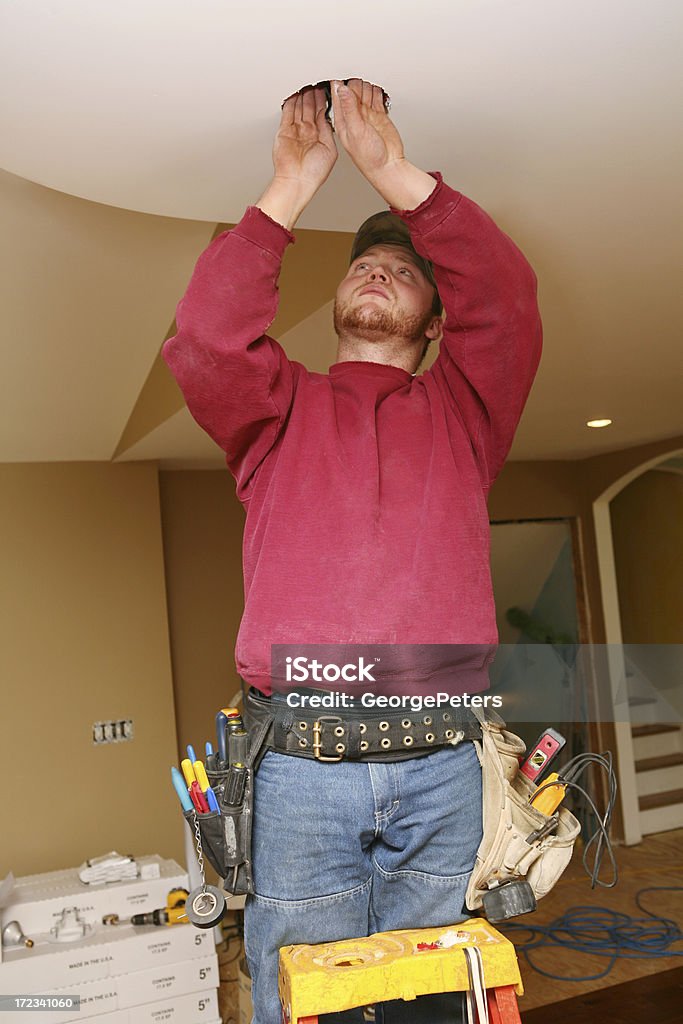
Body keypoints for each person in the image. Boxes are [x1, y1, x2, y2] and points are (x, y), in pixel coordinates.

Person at [164, 79, 542, 1024]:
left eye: (402, 271)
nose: (377, 272)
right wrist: (291, 187)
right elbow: (207, 341)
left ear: (432, 321)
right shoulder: (274, 409)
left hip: (443, 766)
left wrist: (389, 171)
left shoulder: (463, 413)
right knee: (308, 1001)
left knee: (424, 1001)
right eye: (363, 264)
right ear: (334, 298)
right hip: (300, 766)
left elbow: (506, 303)